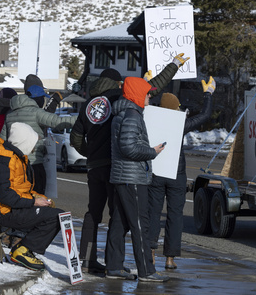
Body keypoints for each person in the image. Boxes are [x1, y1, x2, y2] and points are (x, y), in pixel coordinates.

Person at [70, 53, 189, 274]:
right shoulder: (117, 96)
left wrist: (91, 154)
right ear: (116, 84)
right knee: (118, 217)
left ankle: (86, 260)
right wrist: (173, 65)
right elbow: (152, 86)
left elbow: (75, 138)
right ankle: (113, 263)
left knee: (92, 214)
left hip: (94, 167)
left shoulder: (88, 105)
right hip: (115, 166)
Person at [149, 76, 216, 269]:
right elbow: (204, 116)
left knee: (153, 212)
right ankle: (170, 258)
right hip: (177, 173)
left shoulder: (151, 118)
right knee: (175, 215)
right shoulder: (179, 123)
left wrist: (148, 85)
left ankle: (151, 251)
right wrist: (208, 94)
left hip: (156, 171)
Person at [106, 76, 168, 282]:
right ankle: (146, 271)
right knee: (140, 224)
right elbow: (129, 147)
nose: (150, 95)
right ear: (138, 94)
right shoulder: (132, 115)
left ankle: (114, 266)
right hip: (132, 177)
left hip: (121, 176)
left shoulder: (122, 112)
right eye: (147, 92)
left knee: (119, 222)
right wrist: (152, 151)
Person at [0, 122, 65, 271]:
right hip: (2, 211)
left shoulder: (16, 157)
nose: (33, 148)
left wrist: (39, 198)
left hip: (9, 207)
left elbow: (20, 189)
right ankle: (23, 250)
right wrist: (34, 202)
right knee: (57, 216)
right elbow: (5, 195)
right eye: (31, 143)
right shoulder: (2, 160)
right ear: (23, 142)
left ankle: (25, 249)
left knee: (55, 212)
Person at [0, 86, 77, 194]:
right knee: (37, 195)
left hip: (15, 164)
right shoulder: (36, 112)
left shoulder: (9, 115)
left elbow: (2, 140)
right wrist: (81, 118)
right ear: (37, 99)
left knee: (20, 195)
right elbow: (57, 121)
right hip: (34, 162)